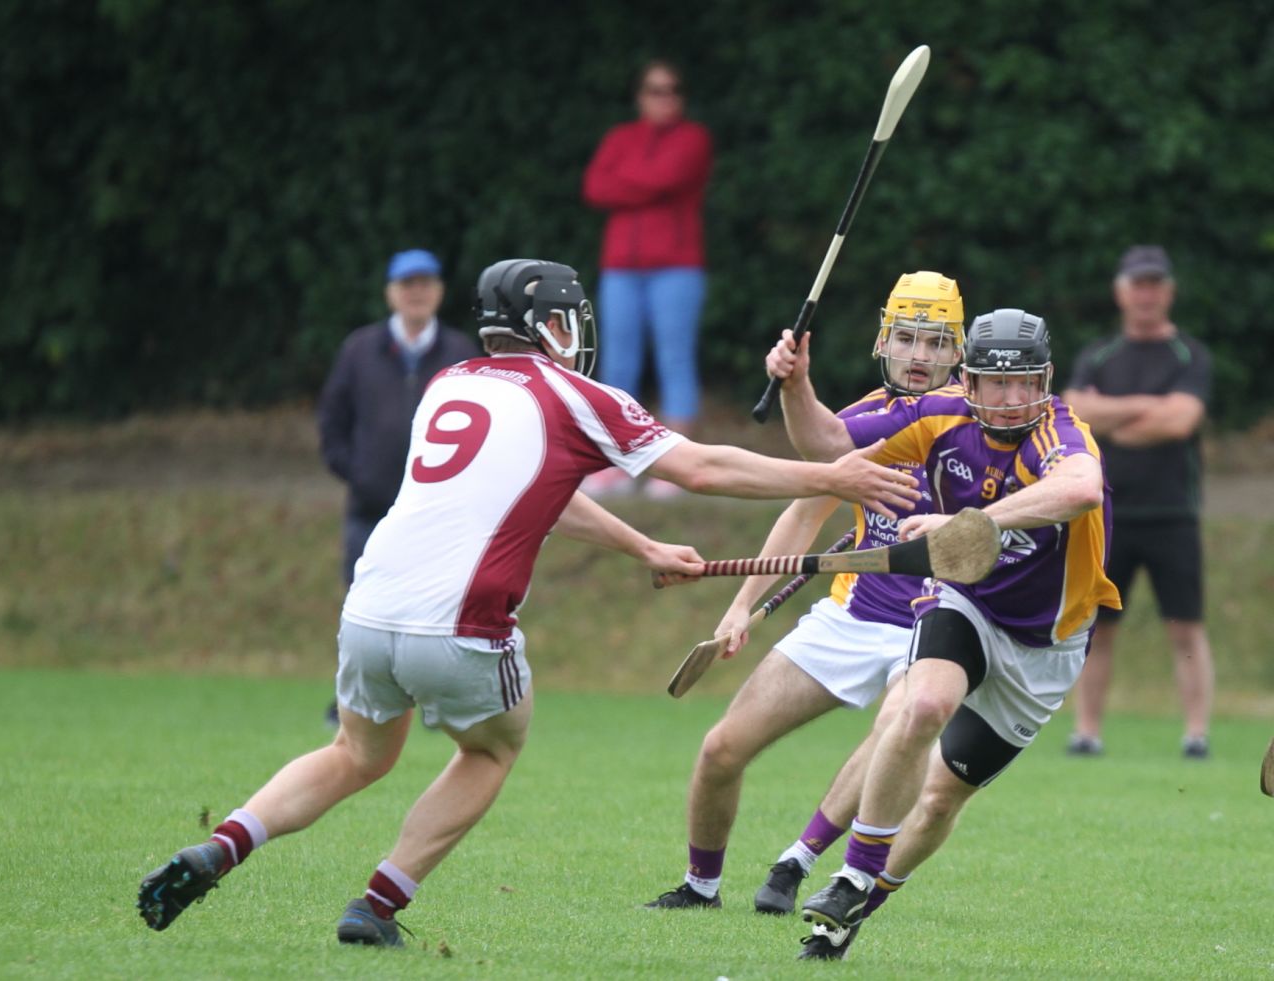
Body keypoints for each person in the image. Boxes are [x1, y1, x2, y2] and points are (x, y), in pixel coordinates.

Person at [136, 258, 922, 947]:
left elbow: (539, 490)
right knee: (491, 749)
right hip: (464, 623)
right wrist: (833, 476)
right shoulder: (576, 394)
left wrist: (641, 546)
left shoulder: (450, 382)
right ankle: (377, 904)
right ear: (550, 324)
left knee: (356, 754)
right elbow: (705, 467)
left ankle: (225, 844)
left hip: (368, 608)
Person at [766, 308, 1120, 959]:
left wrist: (969, 524)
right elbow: (826, 445)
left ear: (1045, 379)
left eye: (1026, 383)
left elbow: (1081, 490)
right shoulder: (937, 415)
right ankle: (849, 871)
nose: (1012, 400)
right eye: (995, 383)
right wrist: (796, 386)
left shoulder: (1061, 434)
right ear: (971, 381)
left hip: (1047, 645)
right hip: (967, 603)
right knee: (923, 702)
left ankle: (854, 911)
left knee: (936, 802)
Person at [642, 272, 964, 929]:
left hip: (942, 624)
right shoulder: (867, 420)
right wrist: (740, 606)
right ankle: (700, 885)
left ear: (958, 351)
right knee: (720, 749)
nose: (920, 355)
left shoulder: (982, 423)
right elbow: (806, 501)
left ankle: (798, 858)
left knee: (897, 725)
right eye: (907, 338)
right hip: (854, 614)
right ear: (884, 341)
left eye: (935, 342)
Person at [1062, 245, 1214, 759]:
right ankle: (1086, 731)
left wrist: (1110, 416)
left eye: (1155, 284)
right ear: (1121, 291)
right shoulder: (1098, 356)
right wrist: (1150, 407)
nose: (1146, 293)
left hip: (1173, 514)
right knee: (1096, 625)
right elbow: (1074, 411)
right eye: (1137, 283)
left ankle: (1196, 734)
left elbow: (1180, 422)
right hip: (1104, 513)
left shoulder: (1190, 356)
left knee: (1185, 627)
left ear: (1168, 291)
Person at [317, 248, 481, 722]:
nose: (417, 293)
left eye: (426, 283)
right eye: (408, 284)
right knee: (363, 604)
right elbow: (333, 422)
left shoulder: (459, 353)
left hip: (437, 510)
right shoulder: (359, 350)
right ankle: (354, 701)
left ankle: (434, 702)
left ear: (440, 291)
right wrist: (359, 472)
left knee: (435, 606)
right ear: (391, 293)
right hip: (372, 506)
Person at [581, 59, 713, 500]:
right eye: (655, 90)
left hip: (676, 267)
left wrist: (629, 182)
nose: (663, 98)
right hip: (621, 268)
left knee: (675, 361)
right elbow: (596, 188)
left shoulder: (694, 138)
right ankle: (616, 463)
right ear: (640, 95)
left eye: (671, 90)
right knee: (617, 367)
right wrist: (644, 185)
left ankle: (678, 467)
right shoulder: (620, 137)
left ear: (682, 96)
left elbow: (666, 177)